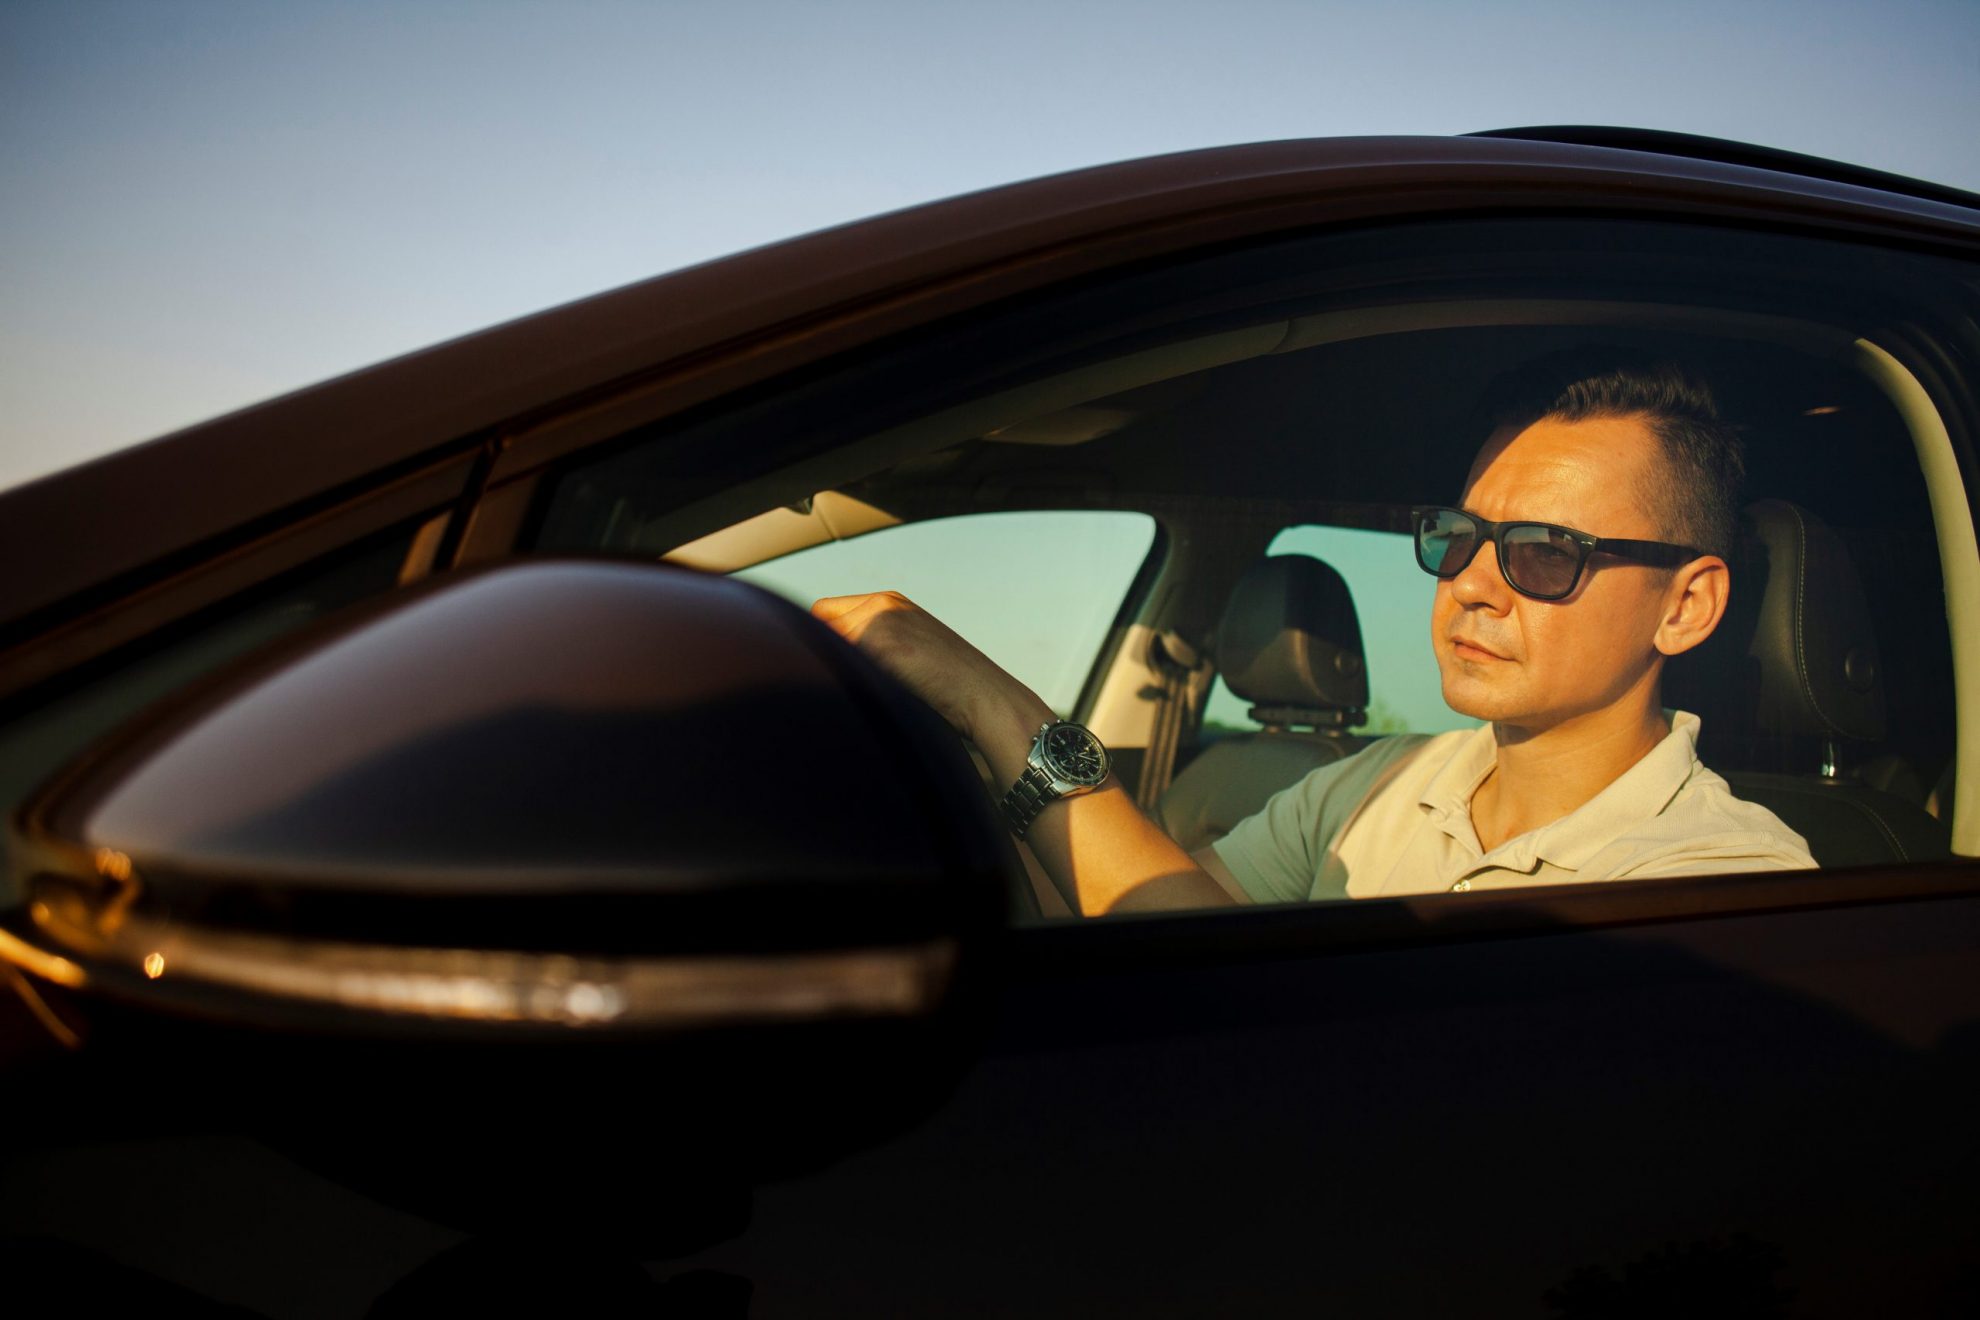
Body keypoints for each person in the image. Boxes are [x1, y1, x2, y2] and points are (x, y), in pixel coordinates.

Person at [813, 356, 1815, 915]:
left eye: (1545, 553)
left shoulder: (1724, 883)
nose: (1471, 585)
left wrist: (996, 703)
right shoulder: (1376, 783)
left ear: (1685, 605)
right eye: (1460, 538)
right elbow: (1160, 926)